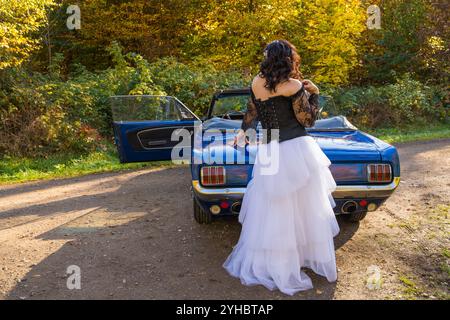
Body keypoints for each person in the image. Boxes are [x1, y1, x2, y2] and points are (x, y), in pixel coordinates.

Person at [223, 39, 340, 295]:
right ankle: (298, 259)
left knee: (274, 208)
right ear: (289, 59)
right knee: (304, 206)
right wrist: (315, 93)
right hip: (296, 148)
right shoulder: (293, 85)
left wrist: (243, 133)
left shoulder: (256, 82)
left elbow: (251, 112)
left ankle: (276, 261)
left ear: (268, 59)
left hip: (270, 150)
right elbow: (307, 120)